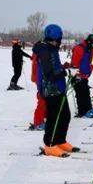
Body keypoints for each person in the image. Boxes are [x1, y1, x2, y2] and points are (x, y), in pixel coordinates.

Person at [32, 24, 78, 158]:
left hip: (58, 88)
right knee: (54, 117)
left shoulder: (51, 49)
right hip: (50, 90)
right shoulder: (45, 50)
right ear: (56, 38)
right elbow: (49, 73)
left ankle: (60, 140)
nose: (60, 42)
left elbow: (54, 67)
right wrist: (66, 71)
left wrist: (66, 67)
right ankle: (50, 145)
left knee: (65, 116)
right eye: (60, 39)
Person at [71, 34, 93, 119]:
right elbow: (75, 63)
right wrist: (77, 75)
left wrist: (89, 70)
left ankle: (89, 109)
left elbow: (88, 61)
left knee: (86, 93)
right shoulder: (80, 48)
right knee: (81, 94)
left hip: (84, 76)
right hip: (78, 76)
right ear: (89, 42)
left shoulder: (89, 49)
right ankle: (82, 112)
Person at [30, 42, 46, 130]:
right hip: (40, 79)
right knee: (42, 99)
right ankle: (38, 123)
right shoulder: (39, 57)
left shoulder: (38, 55)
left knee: (44, 99)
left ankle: (43, 117)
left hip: (40, 79)